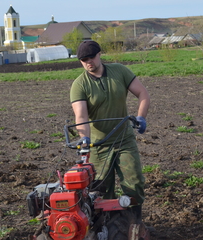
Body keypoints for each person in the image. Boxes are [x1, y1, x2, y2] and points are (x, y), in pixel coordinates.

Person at [70, 40, 150, 221]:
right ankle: (107, 227)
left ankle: (134, 224)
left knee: (134, 184)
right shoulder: (79, 85)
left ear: (99, 54)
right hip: (98, 145)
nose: (88, 62)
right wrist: (84, 140)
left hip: (124, 140)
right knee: (101, 190)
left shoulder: (119, 71)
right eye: (84, 60)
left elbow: (143, 93)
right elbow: (81, 116)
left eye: (91, 57)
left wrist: (141, 117)